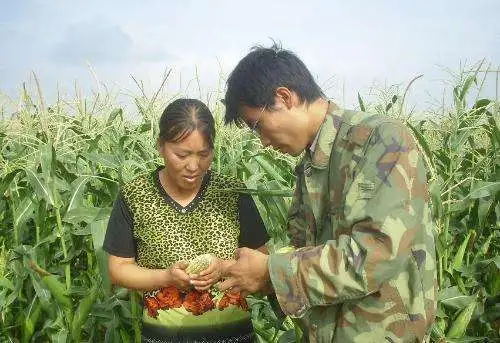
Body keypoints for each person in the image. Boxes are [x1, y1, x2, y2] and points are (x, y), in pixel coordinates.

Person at [217, 44, 437, 342]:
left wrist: (272, 272)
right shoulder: (311, 165)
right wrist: (254, 273)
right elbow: (311, 252)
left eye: (258, 126)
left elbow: (376, 253)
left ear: (285, 97)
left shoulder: (381, 141)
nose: (263, 142)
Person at [103, 98, 269, 343]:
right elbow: (118, 270)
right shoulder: (135, 196)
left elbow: (262, 261)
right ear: (161, 146)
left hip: (234, 336)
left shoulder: (232, 192)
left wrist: (223, 267)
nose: (193, 166)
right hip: (163, 336)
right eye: (181, 155)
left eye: (204, 154)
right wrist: (167, 277)